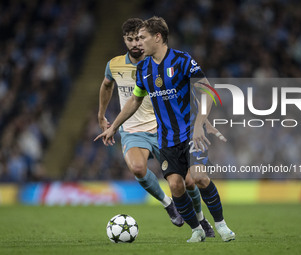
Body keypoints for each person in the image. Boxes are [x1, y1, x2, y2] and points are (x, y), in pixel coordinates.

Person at [95, 16, 235, 243]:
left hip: (191, 132)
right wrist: (114, 126)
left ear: (157, 37)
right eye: (135, 38)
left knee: (198, 177)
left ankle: (222, 226)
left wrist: (200, 124)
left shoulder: (182, 60)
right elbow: (134, 101)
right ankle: (196, 230)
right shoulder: (143, 69)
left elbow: (208, 92)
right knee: (176, 185)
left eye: (143, 37)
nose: (139, 43)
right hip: (167, 138)